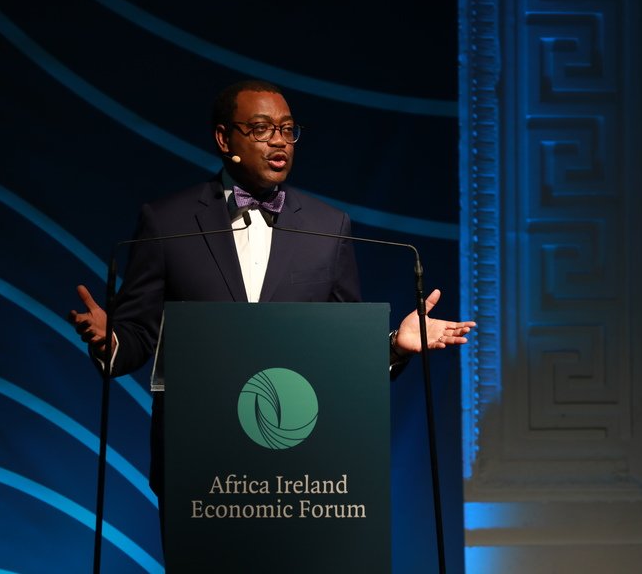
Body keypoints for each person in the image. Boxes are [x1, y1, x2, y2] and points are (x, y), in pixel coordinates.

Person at [68, 79, 474, 501]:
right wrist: (110, 339)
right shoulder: (168, 222)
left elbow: (342, 351)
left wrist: (394, 345)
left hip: (301, 467)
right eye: (261, 129)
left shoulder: (328, 226)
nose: (279, 141)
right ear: (225, 138)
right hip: (199, 460)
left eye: (287, 129)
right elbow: (138, 334)